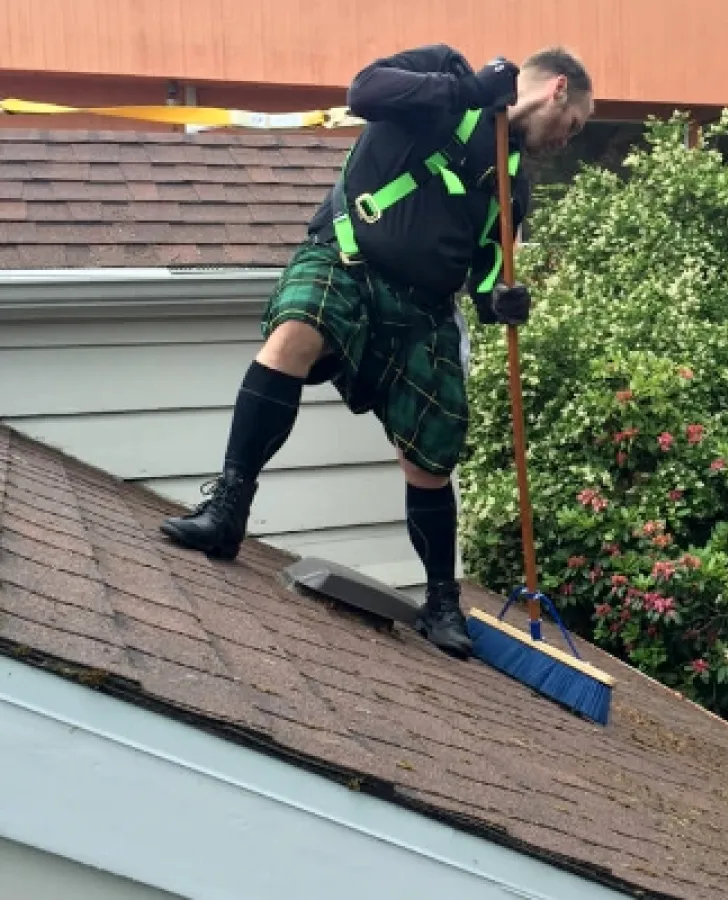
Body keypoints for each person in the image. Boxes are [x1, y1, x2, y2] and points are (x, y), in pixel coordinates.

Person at [160, 43, 593, 658]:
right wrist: (468, 91)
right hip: (347, 258)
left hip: (422, 313)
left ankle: (441, 602)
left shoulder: (513, 182)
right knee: (296, 331)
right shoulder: (445, 72)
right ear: (555, 90)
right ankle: (227, 513)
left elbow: (487, 275)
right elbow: (365, 91)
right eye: (572, 125)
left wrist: (502, 303)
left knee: (432, 452)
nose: (567, 140)